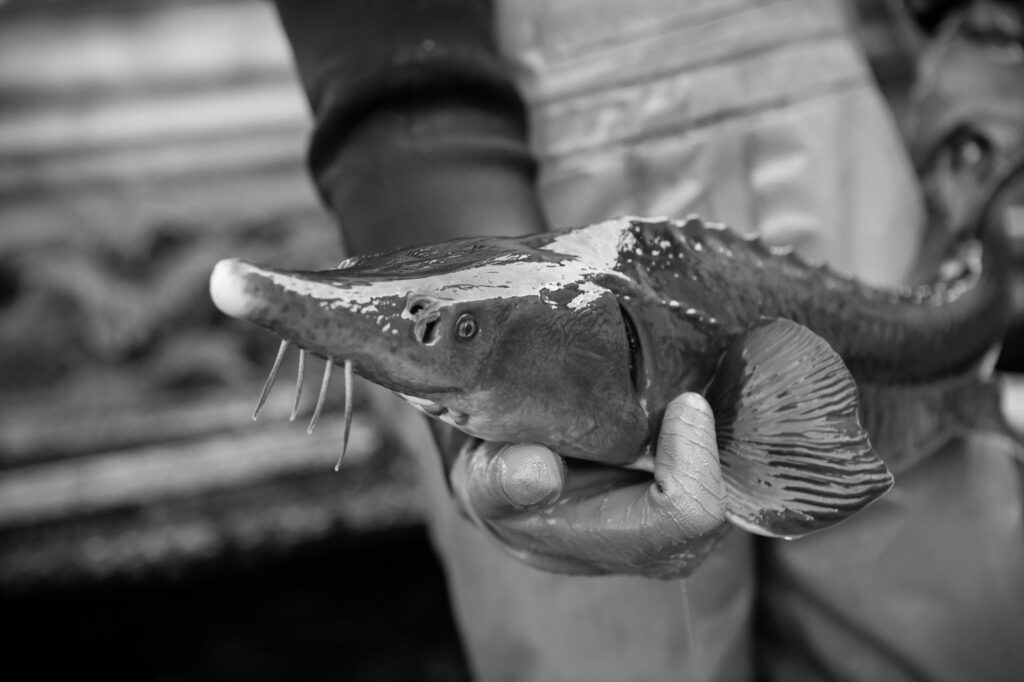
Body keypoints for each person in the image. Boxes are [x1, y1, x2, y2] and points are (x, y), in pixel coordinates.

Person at [273, 1, 1024, 679]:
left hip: (842, 147)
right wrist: (426, 202)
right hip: (511, 177)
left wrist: (993, 48)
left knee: (942, 629)